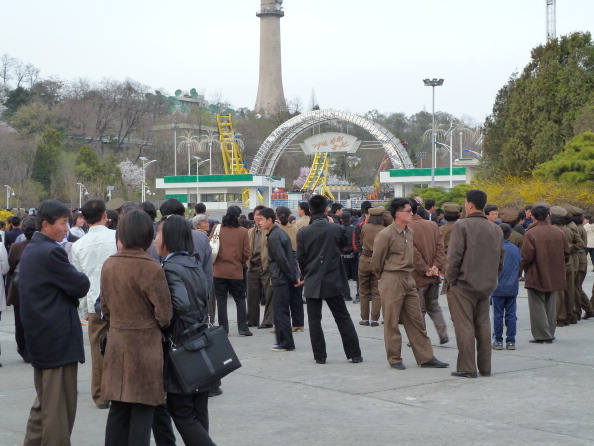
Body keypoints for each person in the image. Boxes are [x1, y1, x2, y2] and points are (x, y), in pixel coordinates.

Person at [20, 200, 91, 446]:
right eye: (62, 223)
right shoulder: (51, 252)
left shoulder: (32, 248)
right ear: (46, 224)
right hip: (57, 341)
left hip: (41, 339)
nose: (66, 228)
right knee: (59, 410)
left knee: (44, 407)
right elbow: (81, 284)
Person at [100, 209, 173, 446]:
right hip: (145, 346)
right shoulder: (151, 268)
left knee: (118, 408)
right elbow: (164, 315)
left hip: (117, 342)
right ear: (146, 236)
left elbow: (105, 308)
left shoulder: (109, 265)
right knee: (143, 408)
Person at [154, 215, 216, 446]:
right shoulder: (193, 261)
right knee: (199, 409)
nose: (155, 239)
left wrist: (165, 320)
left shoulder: (170, 267)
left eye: (158, 234)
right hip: (201, 339)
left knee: (180, 410)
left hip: (183, 343)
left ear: (168, 238)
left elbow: (180, 303)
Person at [372, 198, 449, 371]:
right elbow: (376, 262)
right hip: (392, 279)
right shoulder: (385, 235)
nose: (412, 213)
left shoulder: (409, 232)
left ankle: (426, 357)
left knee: (416, 321)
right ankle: (394, 358)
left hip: (409, 278)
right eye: (408, 211)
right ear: (398, 214)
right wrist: (382, 279)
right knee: (392, 322)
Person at [297, 195, 362, 364]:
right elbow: (344, 244)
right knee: (342, 317)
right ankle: (354, 353)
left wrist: (307, 273)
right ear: (326, 209)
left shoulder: (303, 232)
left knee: (314, 320)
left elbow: (301, 258)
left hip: (312, 278)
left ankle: (320, 356)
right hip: (333, 277)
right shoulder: (336, 228)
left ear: (310, 210)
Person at [446, 190, 504, 378]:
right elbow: (500, 258)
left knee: (464, 325)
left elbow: (454, 257)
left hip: (464, 283)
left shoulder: (461, 226)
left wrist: (450, 279)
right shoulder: (495, 228)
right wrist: (492, 277)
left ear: (470, 204)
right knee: (483, 325)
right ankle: (485, 367)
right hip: (486, 284)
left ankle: (467, 367)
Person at [71, 199, 117, 410]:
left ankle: (100, 395)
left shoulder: (78, 245)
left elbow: (79, 280)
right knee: (122, 347)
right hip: (120, 300)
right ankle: (120, 389)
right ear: (105, 215)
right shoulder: (117, 237)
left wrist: (84, 310)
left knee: (98, 350)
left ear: (85, 219)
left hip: (93, 302)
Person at [521, 205, 569, 343]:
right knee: (550, 305)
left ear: (533, 217)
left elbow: (526, 257)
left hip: (536, 272)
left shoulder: (530, 233)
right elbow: (566, 253)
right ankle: (550, 332)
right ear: (548, 216)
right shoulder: (558, 232)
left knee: (537, 305)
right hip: (554, 272)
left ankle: (542, 335)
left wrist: (526, 268)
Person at [406, 198, 449, 345]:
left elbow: (413, 253)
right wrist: (436, 266)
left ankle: (419, 338)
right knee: (434, 306)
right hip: (434, 275)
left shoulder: (407, 227)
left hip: (418, 276)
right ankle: (443, 334)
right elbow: (440, 248)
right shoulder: (433, 225)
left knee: (418, 310)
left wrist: (425, 269)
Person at [259, 207, 301, 352]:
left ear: (270, 220)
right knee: (282, 311)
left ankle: (286, 342)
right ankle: (284, 341)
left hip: (280, 278)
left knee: (281, 311)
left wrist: (292, 277)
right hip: (284, 277)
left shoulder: (275, 235)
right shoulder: (279, 233)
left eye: (262, 220)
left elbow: (281, 259)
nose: (260, 223)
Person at [211, 205, 252, 336]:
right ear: (237, 217)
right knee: (240, 299)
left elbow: (210, 246)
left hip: (218, 271)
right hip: (236, 271)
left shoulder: (217, 228)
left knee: (221, 300)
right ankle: (243, 328)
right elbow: (247, 252)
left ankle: (224, 328)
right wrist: (240, 262)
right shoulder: (243, 231)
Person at [6, 216, 37, 363]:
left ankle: (23, 348)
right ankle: (31, 349)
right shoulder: (43, 246)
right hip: (37, 291)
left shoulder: (16, 247)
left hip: (19, 289)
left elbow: (10, 268)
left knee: (20, 322)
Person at [491, 224, 521, 350]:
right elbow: (520, 264)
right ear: (510, 235)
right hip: (512, 286)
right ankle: (511, 341)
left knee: (497, 315)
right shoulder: (515, 249)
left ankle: (498, 340)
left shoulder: (493, 249)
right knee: (511, 314)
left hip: (497, 287)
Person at [275, 206, 305, 332]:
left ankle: (281, 326)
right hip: (296, 267)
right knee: (296, 298)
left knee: (281, 300)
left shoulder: (275, 231)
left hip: (280, 268)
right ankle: (298, 324)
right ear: (289, 216)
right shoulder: (296, 229)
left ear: (276, 217)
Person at [246, 205, 274, 329]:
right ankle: (252, 320)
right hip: (252, 266)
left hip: (266, 267)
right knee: (252, 296)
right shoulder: (250, 231)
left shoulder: (269, 230)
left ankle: (268, 321)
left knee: (269, 295)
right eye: (256, 214)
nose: (258, 217)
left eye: (260, 215)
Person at [358, 207, 385, 326]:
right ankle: (374, 319)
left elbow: (361, 242)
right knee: (376, 291)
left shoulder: (365, 227)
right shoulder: (384, 230)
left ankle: (364, 318)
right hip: (378, 262)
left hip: (364, 260)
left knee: (363, 291)